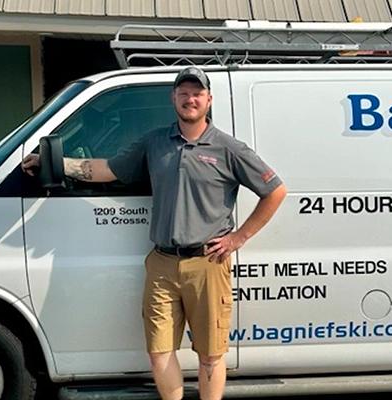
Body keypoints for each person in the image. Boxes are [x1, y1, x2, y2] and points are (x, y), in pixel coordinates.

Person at [20, 67, 288, 400]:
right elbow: (107, 169)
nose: (190, 99)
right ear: (173, 98)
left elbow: (275, 191)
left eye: (197, 93)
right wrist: (55, 162)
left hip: (208, 263)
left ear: (209, 100)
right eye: (183, 93)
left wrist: (238, 238)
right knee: (159, 352)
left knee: (210, 356)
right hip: (162, 264)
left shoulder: (228, 148)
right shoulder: (155, 142)